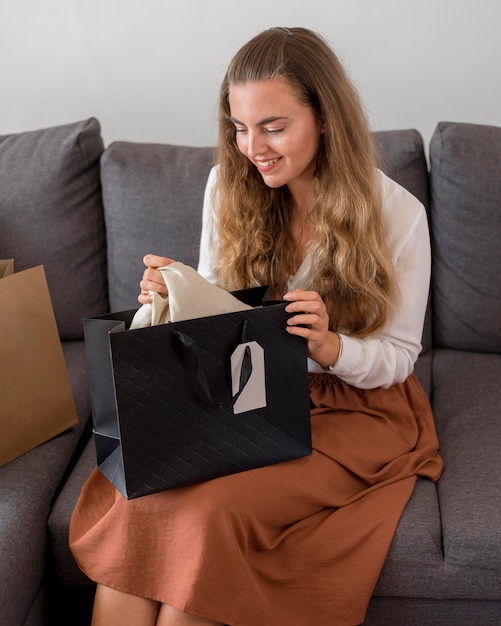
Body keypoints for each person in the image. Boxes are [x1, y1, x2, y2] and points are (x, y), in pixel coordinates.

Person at [69, 26, 443, 626]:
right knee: (143, 507)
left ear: (326, 117)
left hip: (356, 410)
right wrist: (174, 296)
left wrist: (329, 346)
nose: (253, 147)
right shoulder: (228, 186)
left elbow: (398, 355)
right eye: (239, 128)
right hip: (246, 396)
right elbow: (219, 315)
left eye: (273, 126)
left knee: (209, 516)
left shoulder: (398, 213)